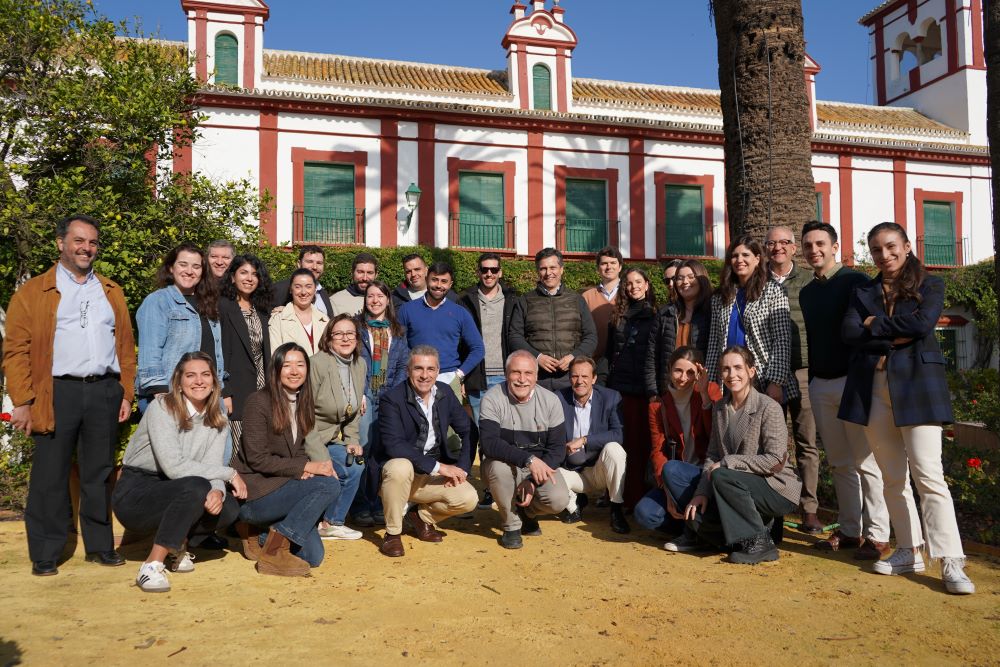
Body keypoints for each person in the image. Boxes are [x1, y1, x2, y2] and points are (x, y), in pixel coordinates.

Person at [840, 222, 974, 595]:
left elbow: (923, 324)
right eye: (877, 249)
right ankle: (908, 550)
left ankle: (950, 559)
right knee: (892, 477)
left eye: (891, 246)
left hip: (917, 386)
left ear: (907, 246)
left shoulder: (931, 284)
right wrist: (892, 332)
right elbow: (849, 333)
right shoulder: (862, 290)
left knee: (929, 476)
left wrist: (874, 324)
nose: (884, 255)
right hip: (873, 388)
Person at [3, 214, 137, 576]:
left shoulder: (110, 291)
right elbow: (15, 351)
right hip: (55, 392)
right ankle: (45, 552)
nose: (86, 248)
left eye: (92, 242)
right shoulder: (33, 292)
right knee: (50, 474)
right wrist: (22, 401)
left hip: (104, 391)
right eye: (79, 240)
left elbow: (125, 347)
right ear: (61, 243)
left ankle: (99, 546)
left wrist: (125, 393)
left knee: (99, 473)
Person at [113, 353, 246, 592]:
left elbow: (211, 465)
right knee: (196, 486)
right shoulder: (162, 407)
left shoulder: (217, 417)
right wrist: (230, 474)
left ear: (214, 382)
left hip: (180, 487)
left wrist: (217, 491)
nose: (199, 381)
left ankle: (177, 543)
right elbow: (173, 466)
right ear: (179, 382)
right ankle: (151, 565)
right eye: (190, 375)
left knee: (228, 507)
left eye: (205, 375)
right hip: (137, 492)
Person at [799, 221, 890, 559]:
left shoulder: (856, 282)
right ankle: (851, 531)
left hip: (854, 382)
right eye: (808, 245)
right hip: (820, 384)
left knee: (866, 461)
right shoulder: (807, 292)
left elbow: (874, 326)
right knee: (839, 462)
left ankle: (878, 535)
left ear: (835, 247)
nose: (814, 250)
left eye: (820, 243)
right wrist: (813, 381)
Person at [667, 346, 801, 564]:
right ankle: (745, 535)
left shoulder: (768, 407)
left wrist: (728, 462)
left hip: (775, 487)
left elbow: (776, 460)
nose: (732, 374)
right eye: (726, 369)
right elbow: (712, 454)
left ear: (751, 371)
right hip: (733, 487)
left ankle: (760, 543)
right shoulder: (720, 408)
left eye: (738, 367)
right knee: (695, 515)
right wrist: (702, 492)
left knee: (721, 475)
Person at [233, 343, 341, 576]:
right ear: (276, 369)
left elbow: (299, 450)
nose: (294, 371)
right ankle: (272, 552)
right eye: (287, 365)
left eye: (300, 365)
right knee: (329, 484)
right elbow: (257, 459)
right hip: (256, 495)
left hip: (283, 487)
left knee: (313, 557)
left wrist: (304, 470)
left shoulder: (302, 402)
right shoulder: (257, 401)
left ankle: (262, 534)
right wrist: (305, 466)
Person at [376, 346, 479, 557]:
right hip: (398, 476)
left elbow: (469, 430)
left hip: (429, 475)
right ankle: (392, 533)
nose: (425, 375)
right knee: (400, 466)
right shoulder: (391, 399)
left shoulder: (445, 392)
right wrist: (440, 467)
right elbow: (394, 445)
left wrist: (462, 469)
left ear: (438, 371)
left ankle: (421, 518)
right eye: (418, 368)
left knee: (468, 498)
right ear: (408, 371)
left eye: (431, 369)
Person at [479, 350, 571, 549]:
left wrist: (532, 480)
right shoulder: (492, 398)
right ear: (506, 374)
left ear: (536, 376)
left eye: (528, 373)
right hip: (504, 464)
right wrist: (529, 460)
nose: (522, 379)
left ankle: (526, 512)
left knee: (559, 500)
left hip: (536, 467)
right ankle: (511, 525)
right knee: (498, 469)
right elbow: (489, 443)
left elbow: (557, 449)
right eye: (516, 372)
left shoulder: (551, 401)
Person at [765, 225, 821, 533]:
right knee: (770, 442)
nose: (778, 247)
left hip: (803, 371)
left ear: (794, 248)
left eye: (784, 242)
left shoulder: (810, 280)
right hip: (768, 372)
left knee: (806, 442)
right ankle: (775, 505)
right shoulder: (757, 280)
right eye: (772, 243)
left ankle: (809, 509)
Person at [633, 347, 722, 534]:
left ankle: (696, 529)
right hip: (674, 477)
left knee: (672, 468)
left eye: (690, 372)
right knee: (644, 513)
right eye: (678, 371)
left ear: (699, 373)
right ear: (669, 369)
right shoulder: (658, 406)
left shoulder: (711, 391)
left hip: (704, 472)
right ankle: (691, 526)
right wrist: (668, 492)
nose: (683, 378)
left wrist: (704, 395)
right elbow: (658, 451)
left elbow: (717, 434)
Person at [705, 235, 793, 406]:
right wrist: (711, 381)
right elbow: (714, 342)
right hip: (729, 376)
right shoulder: (720, 296)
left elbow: (782, 339)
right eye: (735, 256)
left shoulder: (773, 291)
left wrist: (776, 381)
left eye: (745, 255)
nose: (739, 260)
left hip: (762, 376)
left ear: (757, 259)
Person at [136, 243, 223, 414]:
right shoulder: (158, 301)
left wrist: (221, 389)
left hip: (207, 396)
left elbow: (215, 352)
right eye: (183, 264)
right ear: (171, 268)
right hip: (171, 396)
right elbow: (150, 353)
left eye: (196, 266)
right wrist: (162, 397)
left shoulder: (208, 304)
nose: (189, 271)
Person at [303, 315, 367, 540]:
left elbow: (353, 409)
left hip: (331, 437)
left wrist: (352, 439)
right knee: (334, 470)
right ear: (328, 339)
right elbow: (304, 416)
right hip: (306, 437)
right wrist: (321, 458)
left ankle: (331, 522)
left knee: (356, 465)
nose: (345, 338)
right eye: (338, 334)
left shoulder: (359, 364)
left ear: (357, 338)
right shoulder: (317, 364)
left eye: (350, 333)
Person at [352, 280, 410, 527]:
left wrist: (392, 396)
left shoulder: (398, 330)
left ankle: (377, 502)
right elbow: (351, 361)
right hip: (364, 397)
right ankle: (360, 504)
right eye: (370, 296)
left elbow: (403, 365)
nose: (375, 300)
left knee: (382, 451)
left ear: (388, 300)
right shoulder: (356, 327)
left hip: (388, 398)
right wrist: (360, 393)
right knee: (363, 450)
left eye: (380, 296)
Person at [555, 357, 629, 533]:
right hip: (570, 469)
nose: (579, 381)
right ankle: (575, 504)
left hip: (599, 469)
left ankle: (616, 509)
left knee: (615, 450)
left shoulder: (611, 397)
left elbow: (618, 434)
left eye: (585, 376)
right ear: (569, 378)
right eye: (575, 376)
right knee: (546, 472)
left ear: (594, 378)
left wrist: (584, 440)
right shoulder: (558, 398)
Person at [508, 247, 597, 390]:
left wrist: (573, 357)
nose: (548, 273)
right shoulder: (525, 300)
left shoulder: (577, 300)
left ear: (561, 269)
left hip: (570, 378)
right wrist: (537, 357)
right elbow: (514, 336)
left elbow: (591, 337)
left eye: (553, 267)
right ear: (538, 272)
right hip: (537, 379)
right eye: (543, 268)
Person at [605, 267, 657, 509]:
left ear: (647, 284)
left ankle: (636, 497)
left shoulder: (656, 314)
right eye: (629, 283)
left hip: (642, 390)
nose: (633, 286)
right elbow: (609, 352)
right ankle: (616, 495)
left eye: (638, 282)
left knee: (639, 446)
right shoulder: (617, 316)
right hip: (619, 388)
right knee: (619, 443)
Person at [397, 262, 484, 397]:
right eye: (434, 280)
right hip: (416, 378)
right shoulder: (407, 310)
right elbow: (398, 346)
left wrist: (459, 374)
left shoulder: (460, 313)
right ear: (427, 279)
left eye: (444, 281)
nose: (438, 285)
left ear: (450, 284)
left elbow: (478, 348)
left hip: (449, 380)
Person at [219, 254, 272, 453]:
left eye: (255, 274)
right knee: (236, 450)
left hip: (262, 388)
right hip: (236, 389)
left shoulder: (262, 309)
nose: (249, 278)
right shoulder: (223, 307)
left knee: (258, 447)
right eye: (244, 273)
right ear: (233, 277)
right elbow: (218, 353)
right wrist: (225, 391)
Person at [457, 252, 517, 423]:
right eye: (484, 270)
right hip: (476, 376)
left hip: (505, 375)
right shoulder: (465, 300)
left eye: (493, 270)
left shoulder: (513, 300)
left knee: (506, 428)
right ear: (478, 272)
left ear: (500, 272)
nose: (489, 274)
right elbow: (459, 342)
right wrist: (462, 376)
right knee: (481, 428)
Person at [645, 259, 713, 398]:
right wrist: (653, 391)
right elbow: (652, 355)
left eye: (691, 277)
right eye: (680, 278)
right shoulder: (665, 314)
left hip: (701, 391)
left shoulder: (712, 313)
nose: (685, 282)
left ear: (701, 279)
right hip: (669, 390)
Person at [269, 268, 329, 356]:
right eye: (298, 287)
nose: (303, 292)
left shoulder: (324, 320)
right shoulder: (278, 320)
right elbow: (275, 357)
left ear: (315, 289)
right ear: (291, 289)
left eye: (308, 286)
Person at [580, 246, 622, 364]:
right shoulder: (586, 297)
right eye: (604, 263)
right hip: (594, 362)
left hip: (623, 361)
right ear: (598, 268)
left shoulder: (629, 293)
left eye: (613, 263)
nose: (609, 267)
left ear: (620, 267)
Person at [271, 245, 333, 316]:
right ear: (299, 264)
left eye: (319, 263)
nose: (315, 267)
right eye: (309, 262)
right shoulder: (279, 290)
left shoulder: (322, 292)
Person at [391, 253, 459, 308]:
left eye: (417, 269)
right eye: (408, 272)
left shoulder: (449, 296)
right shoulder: (396, 297)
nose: (413, 274)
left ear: (426, 270)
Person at [331, 251, 378, 316]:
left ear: (376, 275)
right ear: (352, 273)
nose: (365, 278)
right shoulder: (335, 301)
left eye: (369, 273)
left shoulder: (384, 300)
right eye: (360, 272)